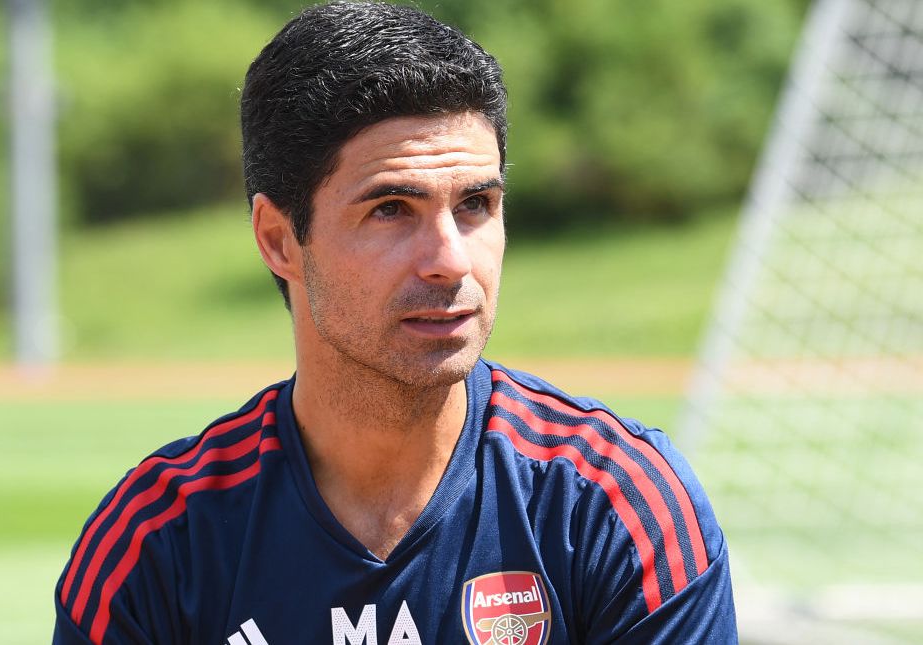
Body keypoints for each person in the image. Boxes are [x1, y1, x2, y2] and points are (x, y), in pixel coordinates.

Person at [53, 2, 737, 643]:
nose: (450, 259)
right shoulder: (158, 543)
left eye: (475, 205)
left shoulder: (616, 505)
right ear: (279, 239)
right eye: (390, 210)